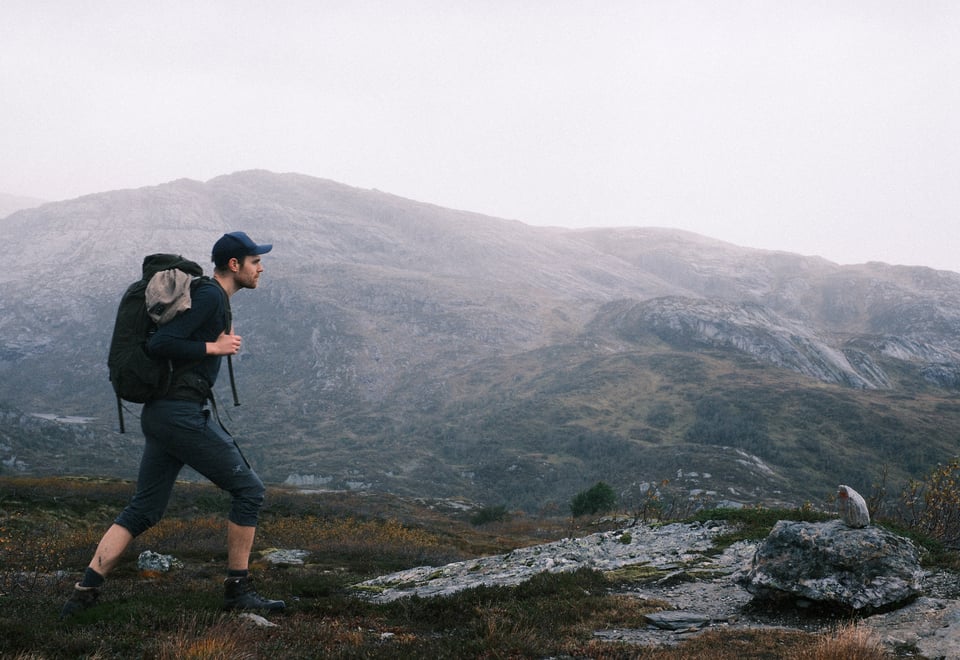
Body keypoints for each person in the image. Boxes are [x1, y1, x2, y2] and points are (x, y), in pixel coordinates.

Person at [61, 231, 285, 618]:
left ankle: (83, 595)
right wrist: (213, 347)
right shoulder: (212, 296)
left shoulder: (211, 296)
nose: (261, 268)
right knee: (249, 491)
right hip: (179, 415)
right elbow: (161, 344)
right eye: (255, 261)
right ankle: (237, 591)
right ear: (235, 265)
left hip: (162, 416)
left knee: (144, 509)